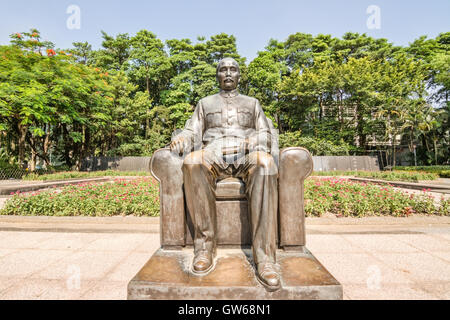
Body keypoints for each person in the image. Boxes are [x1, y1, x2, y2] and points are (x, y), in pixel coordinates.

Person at [170, 57, 280, 291]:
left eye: (233, 69)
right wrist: (181, 138)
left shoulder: (252, 103)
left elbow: (268, 137)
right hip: (214, 151)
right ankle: (205, 249)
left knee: (266, 163)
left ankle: (265, 258)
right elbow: (192, 132)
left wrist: (247, 144)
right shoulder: (204, 104)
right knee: (192, 162)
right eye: (223, 69)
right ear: (217, 75)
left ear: (240, 75)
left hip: (245, 152)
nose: (228, 73)